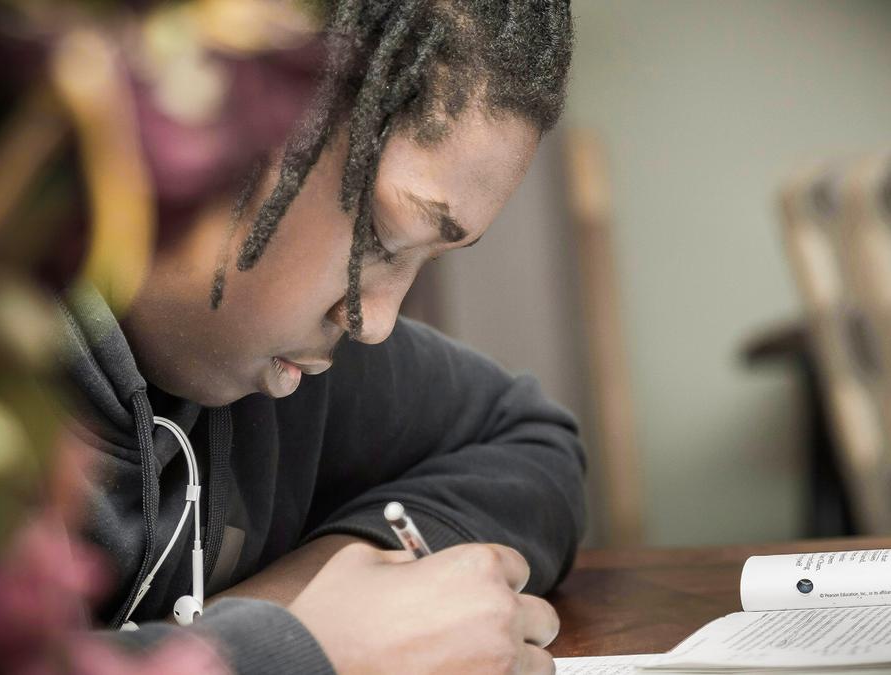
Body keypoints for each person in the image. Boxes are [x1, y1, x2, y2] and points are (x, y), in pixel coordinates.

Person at [57, 1, 584, 673]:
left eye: (429, 257)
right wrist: (308, 650)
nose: (375, 320)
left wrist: (280, 608)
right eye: (380, 236)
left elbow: (532, 438)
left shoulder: (286, 371)